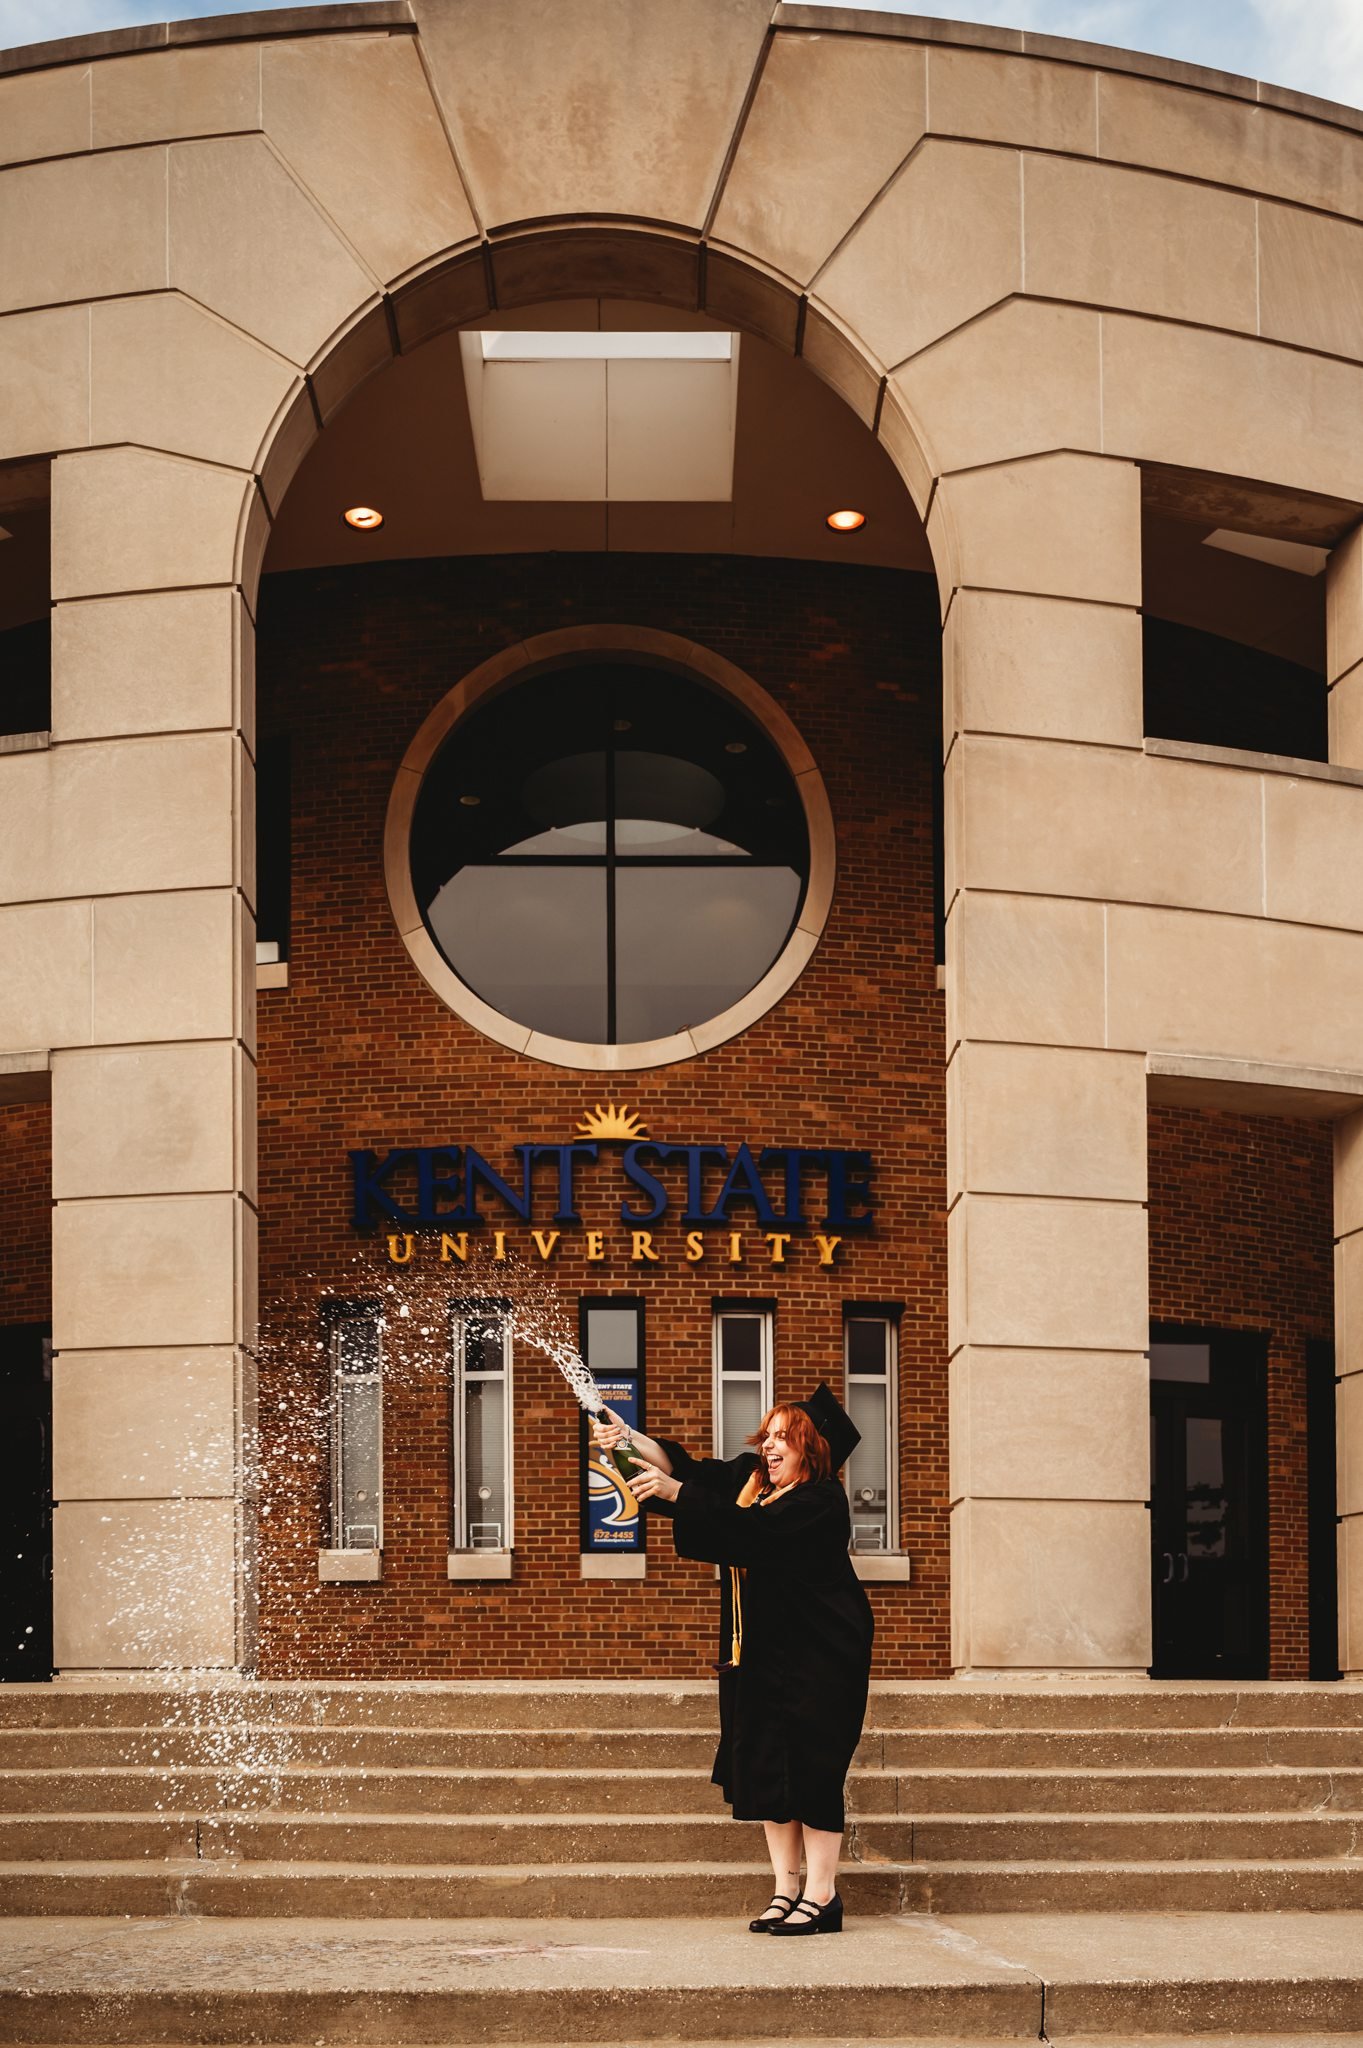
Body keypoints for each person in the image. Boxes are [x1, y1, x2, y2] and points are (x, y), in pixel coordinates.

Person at [592, 1383, 873, 1935]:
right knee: (769, 1766)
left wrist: (677, 1494)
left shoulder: (819, 1502)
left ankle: (823, 1894)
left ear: (811, 1449)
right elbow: (693, 1472)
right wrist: (627, 1438)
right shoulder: (754, 1482)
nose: (768, 1447)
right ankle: (784, 1890)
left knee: (813, 1770)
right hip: (763, 1655)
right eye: (766, 1436)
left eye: (783, 1439)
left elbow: (747, 1533)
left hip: (821, 1657)